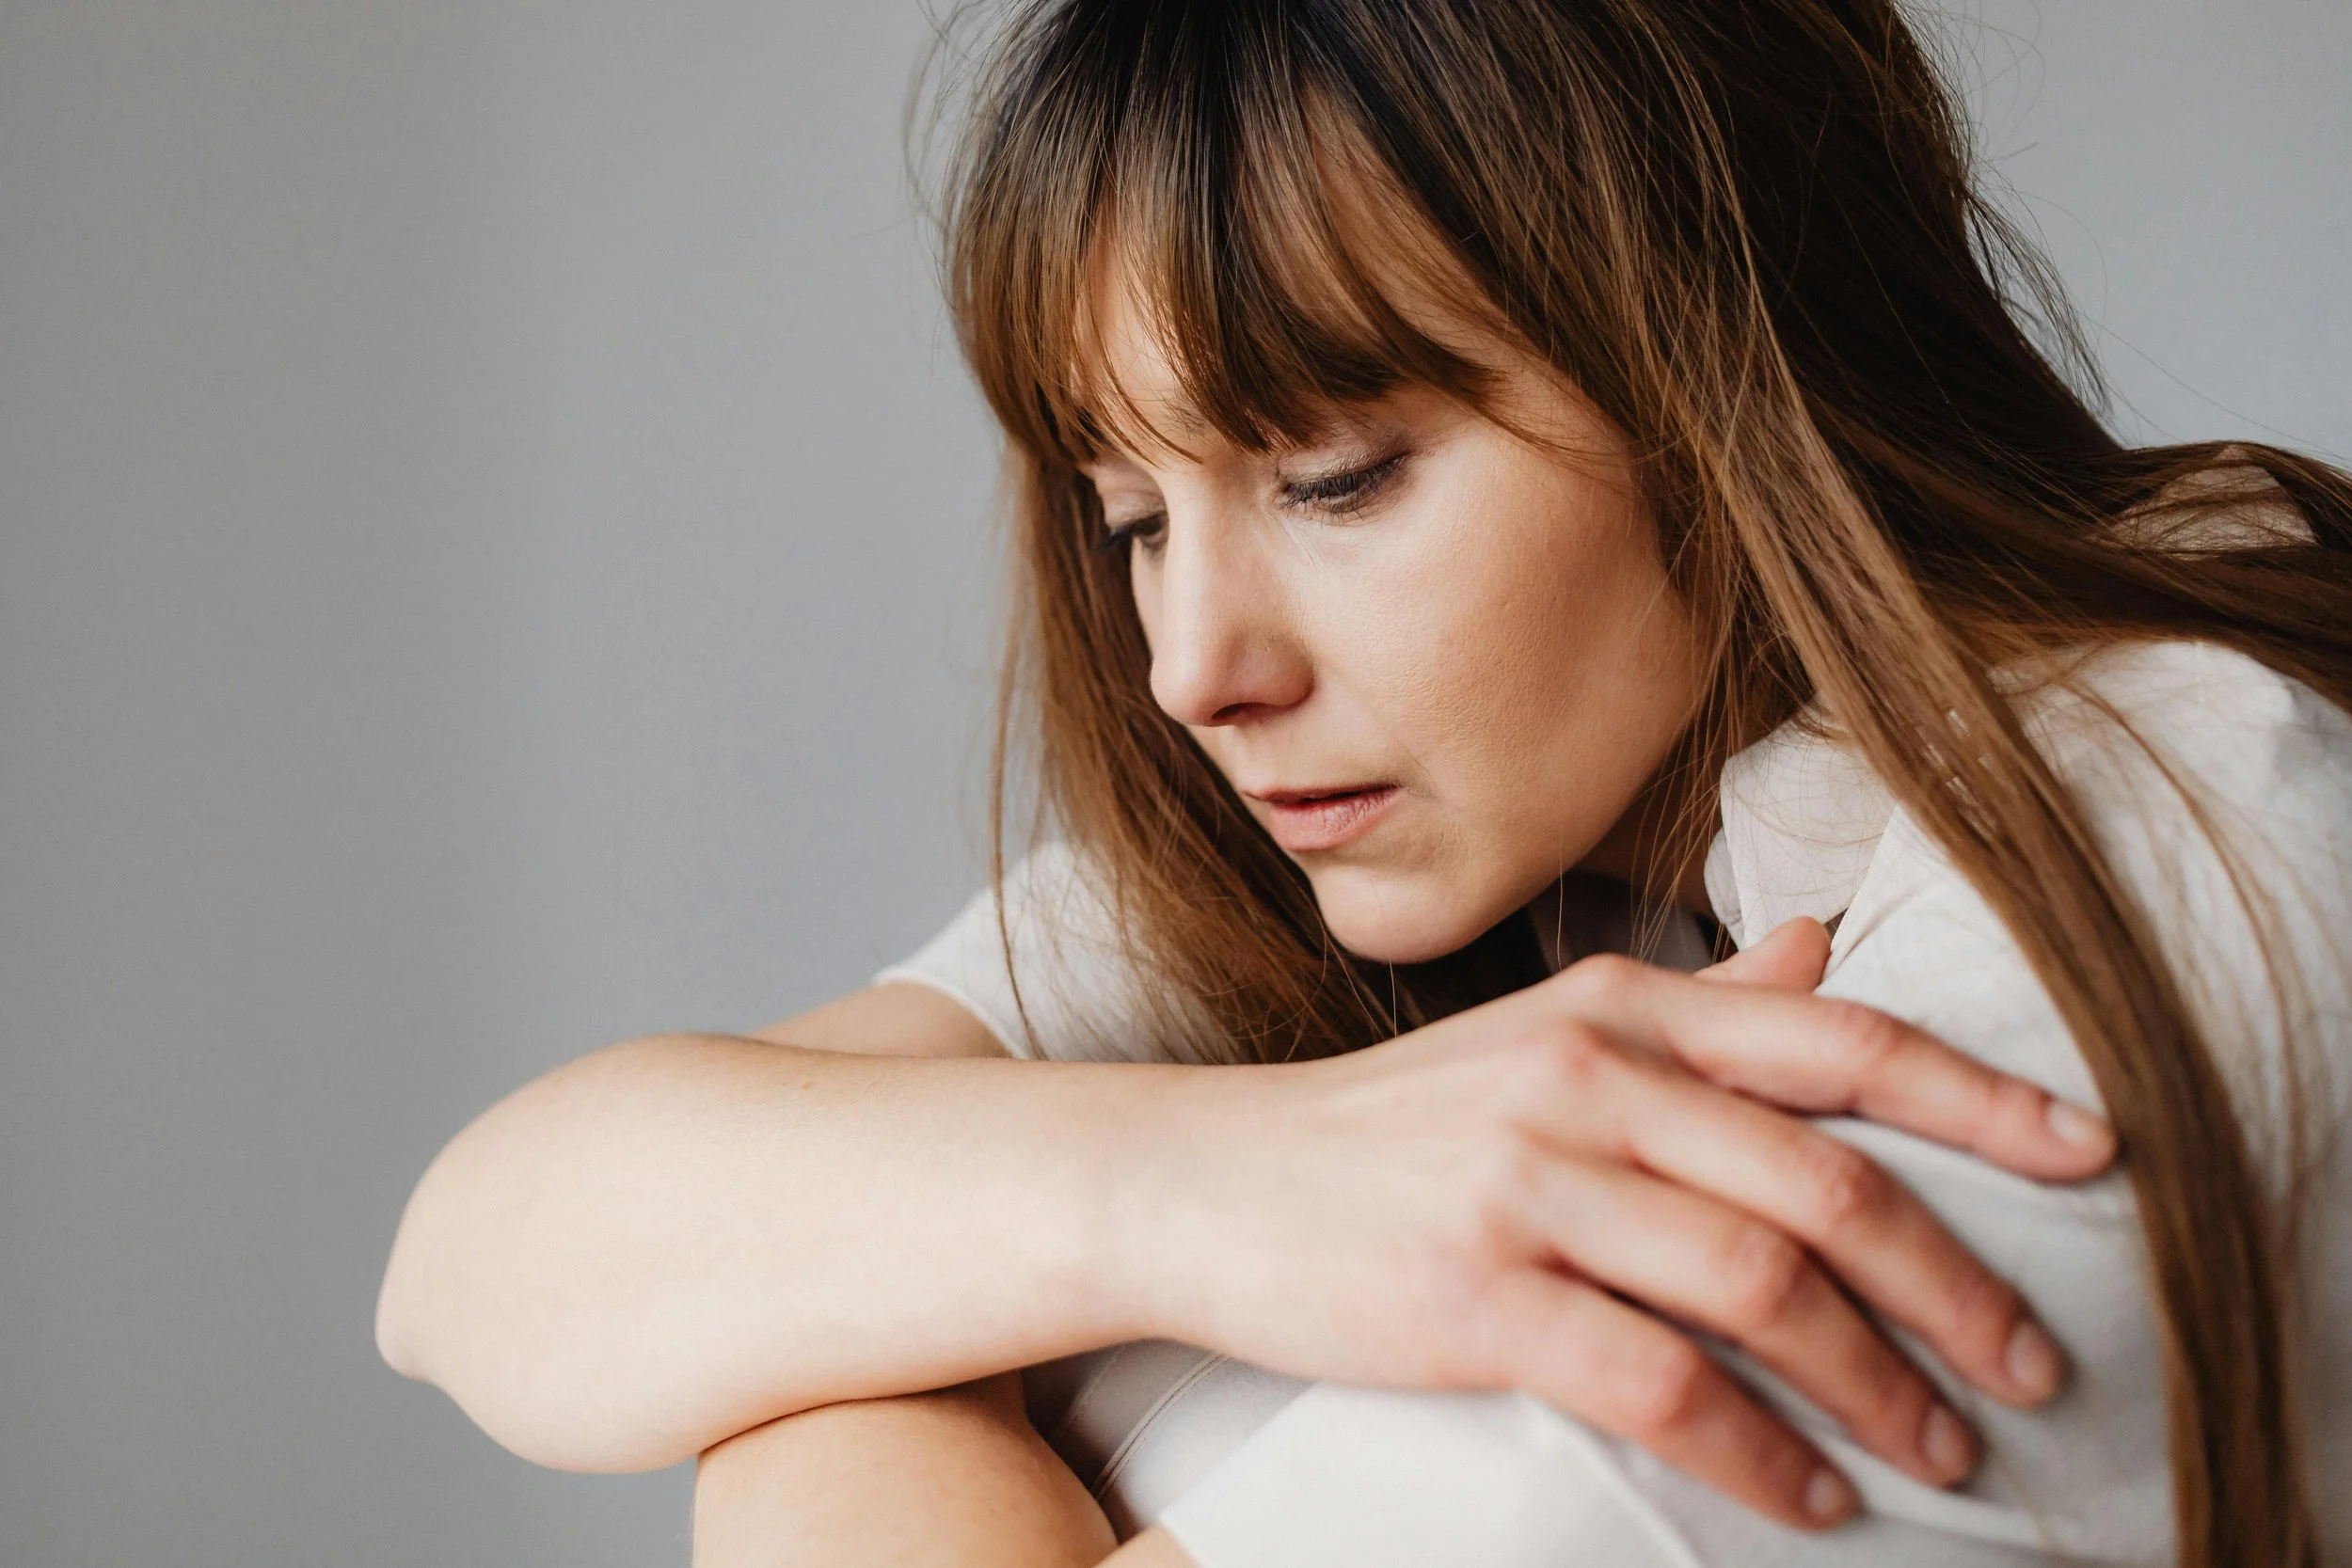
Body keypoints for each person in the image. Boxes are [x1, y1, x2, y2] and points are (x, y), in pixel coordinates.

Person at [373, 2, 2352, 1565]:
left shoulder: (2150, 909)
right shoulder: (1508, 833)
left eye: (1333, 476)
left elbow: (702, 1292)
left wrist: (851, 1323)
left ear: (1727, 363)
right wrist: (1210, 1184)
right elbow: (481, 1261)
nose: (1190, 669)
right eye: (1129, 514)